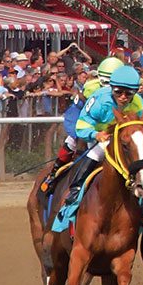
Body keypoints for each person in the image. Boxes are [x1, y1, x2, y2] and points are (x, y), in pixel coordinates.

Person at [62, 66, 143, 209]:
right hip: (100, 138)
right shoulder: (100, 100)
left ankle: (142, 199)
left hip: (125, 141)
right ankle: (76, 188)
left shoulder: (139, 104)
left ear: (135, 92)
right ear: (111, 88)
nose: (123, 97)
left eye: (128, 93)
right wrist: (96, 134)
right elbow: (81, 126)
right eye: (118, 92)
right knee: (95, 153)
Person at [41, 56, 124, 193]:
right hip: (82, 116)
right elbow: (88, 114)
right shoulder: (92, 88)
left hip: (108, 126)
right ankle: (54, 174)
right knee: (73, 140)